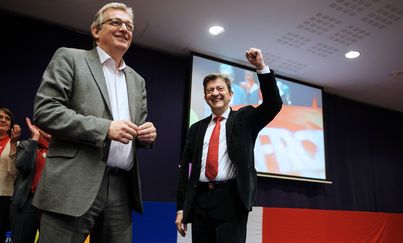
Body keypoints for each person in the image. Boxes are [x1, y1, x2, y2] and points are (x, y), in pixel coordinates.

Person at [32, 2, 157, 242]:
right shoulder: (70, 58)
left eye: (129, 25)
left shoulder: (137, 81)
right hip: (72, 184)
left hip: (122, 188)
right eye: (115, 22)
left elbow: (136, 127)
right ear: (95, 31)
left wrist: (146, 135)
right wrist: (105, 128)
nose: (124, 28)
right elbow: (45, 110)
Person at [176, 48, 282, 243]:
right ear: (205, 96)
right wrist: (181, 208)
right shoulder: (196, 128)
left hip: (231, 200)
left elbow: (273, 105)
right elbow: (186, 171)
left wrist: (261, 68)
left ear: (231, 94)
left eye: (219, 89)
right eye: (209, 90)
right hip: (199, 201)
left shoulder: (245, 118)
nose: (214, 93)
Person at [10, 118, 50, 243]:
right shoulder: (26, 144)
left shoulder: (59, 149)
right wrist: (35, 139)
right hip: (28, 200)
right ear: (36, 128)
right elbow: (23, 165)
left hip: (50, 203)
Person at [0, 107, 21, 243]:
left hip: (5, 198)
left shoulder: (17, 144)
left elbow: (14, 171)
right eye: (0, 117)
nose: (3, 120)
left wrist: (13, 143)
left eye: (7, 118)